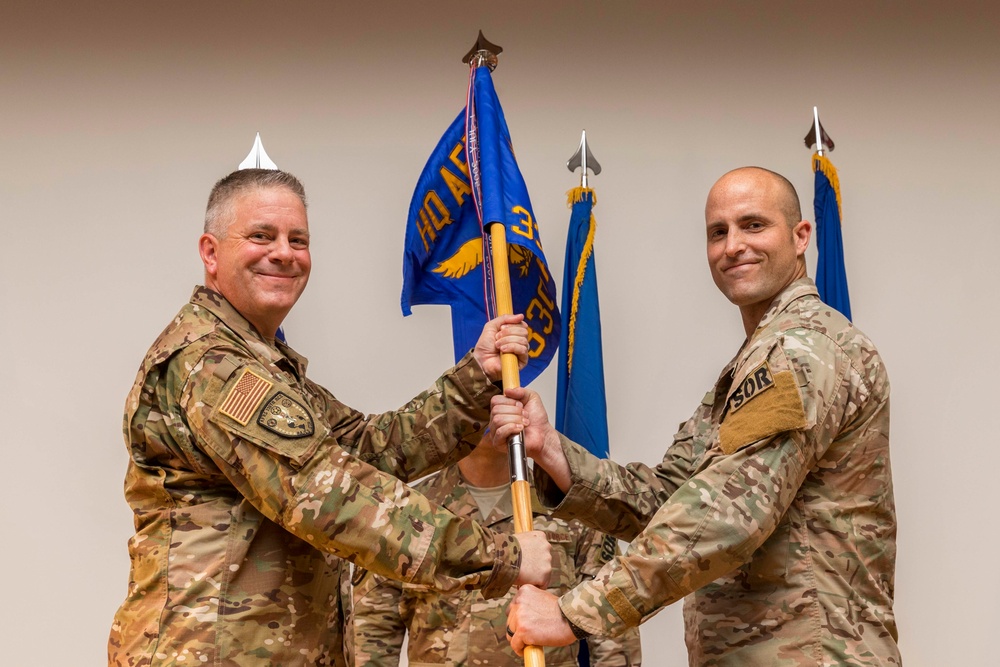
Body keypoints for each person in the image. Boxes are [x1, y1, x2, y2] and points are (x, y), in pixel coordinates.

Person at [108, 168, 552, 667]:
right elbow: (330, 495)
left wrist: (476, 376)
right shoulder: (213, 366)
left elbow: (370, 449)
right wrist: (502, 556)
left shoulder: (266, 365)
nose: (284, 253)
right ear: (210, 252)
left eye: (298, 239)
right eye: (261, 236)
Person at [491, 167, 899, 665]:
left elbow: (730, 511)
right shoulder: (755, 361)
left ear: (800, 237)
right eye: (718, 232)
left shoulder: (803, 350)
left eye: (753, 225)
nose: (732, 246)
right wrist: (553, 451)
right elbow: (669, 499)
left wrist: (577, 613)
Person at [344, 428, 643, 667]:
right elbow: (372, 630)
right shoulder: (409, 511)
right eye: (482, 397)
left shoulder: (568, 507)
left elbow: (612, 631)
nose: (492, 410)